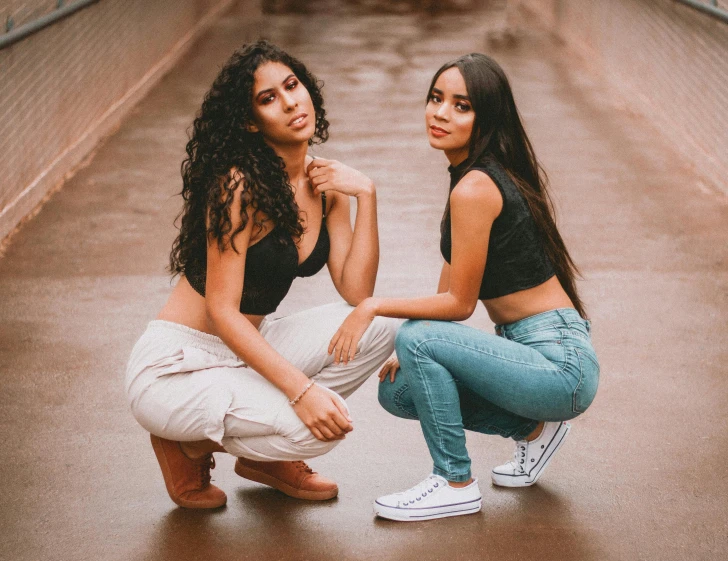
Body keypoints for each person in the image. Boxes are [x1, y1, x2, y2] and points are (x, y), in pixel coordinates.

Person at [125, 40, 397, 509]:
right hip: (178, 366)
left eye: (293, 86)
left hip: (250, 348)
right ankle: (185, 443)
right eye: (269, 98)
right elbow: (222, 311)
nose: (290, 101)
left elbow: (357, 292)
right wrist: (302, 391)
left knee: (379, 322)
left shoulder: (323, 184)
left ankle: (261, 456)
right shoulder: (238, 187)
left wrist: (366, 196)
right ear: (251, 121)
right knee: (314, 430)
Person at [328, 53, 599, 521]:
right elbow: (451, 288)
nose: (440, 113)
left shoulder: (474, 188)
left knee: (415, 336)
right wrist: (414, 347)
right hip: (531, 355)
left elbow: (458, 305)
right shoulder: (469, 177)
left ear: (486, 117)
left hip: (559, 366)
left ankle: (454, 481)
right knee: (398, 391)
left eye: (461, 105)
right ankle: (534, 431)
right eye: (436, 99)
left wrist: (372, 307)